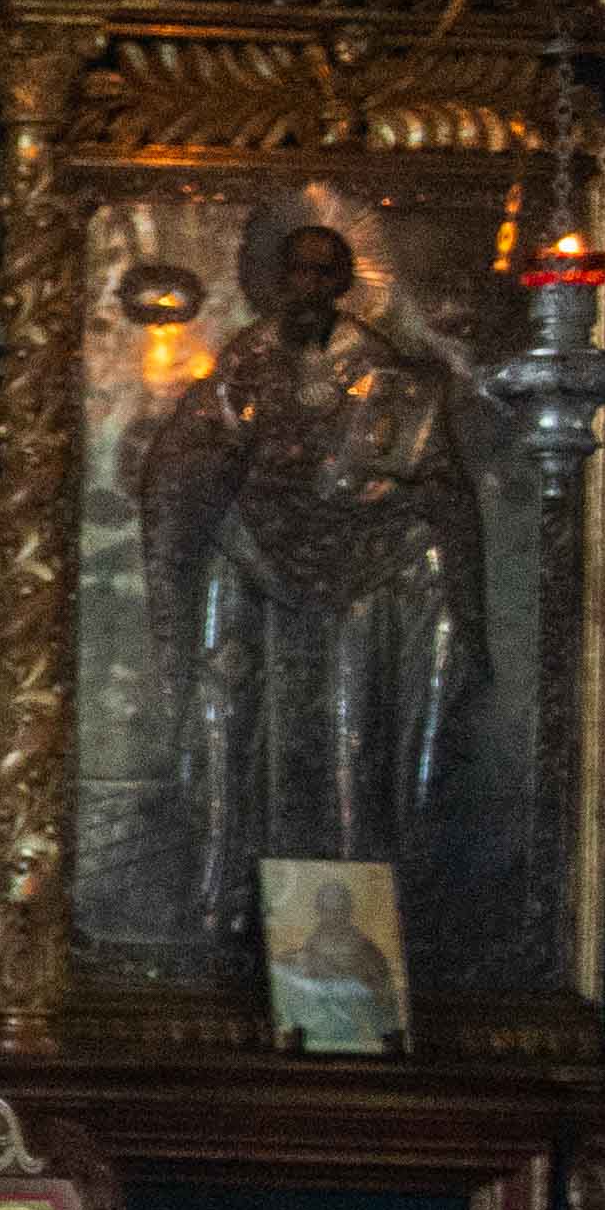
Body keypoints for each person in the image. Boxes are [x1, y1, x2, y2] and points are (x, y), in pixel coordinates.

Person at [145, 223, 479, 945]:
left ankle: (363, 901)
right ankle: (228, 890)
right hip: (256, 556)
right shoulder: (249, 357)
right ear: (276, 278)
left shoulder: (380, 364)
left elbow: (415, 462)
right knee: (236, 717)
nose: (308, 287)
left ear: (341, 282)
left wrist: (375, 485)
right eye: (295, 272)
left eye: (323, 274)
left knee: (352, 729)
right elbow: (197, 448)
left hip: (358, 568)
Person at [269, 872, 401, 1052]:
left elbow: (382, 1000)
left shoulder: (369, 952)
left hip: (355, 1032)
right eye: (326, 910)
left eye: (338, 911)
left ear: (348, 911)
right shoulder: (312, 944)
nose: (332, 917)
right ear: (319, 911)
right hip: (313, 1033)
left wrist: (336, 974)